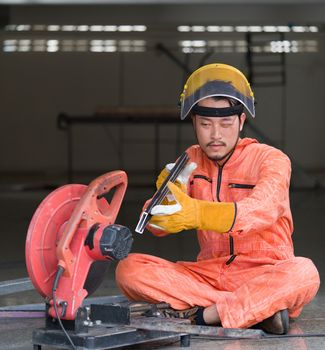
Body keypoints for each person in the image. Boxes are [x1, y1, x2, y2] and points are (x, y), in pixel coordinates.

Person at [116, 63, 320, 334]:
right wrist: (160, 208)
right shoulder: (189, 160)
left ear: (241, 121)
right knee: (130, 269)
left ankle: (206, 315)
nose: (215, 135)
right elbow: (154, 225)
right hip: (209, 276)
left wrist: (198, 213)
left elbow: (263, 208)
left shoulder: (271, 159)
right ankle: (257, 311)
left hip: (266, 273)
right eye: (205, 124)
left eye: (225, 124)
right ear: (194, 123)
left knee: (304, 273)